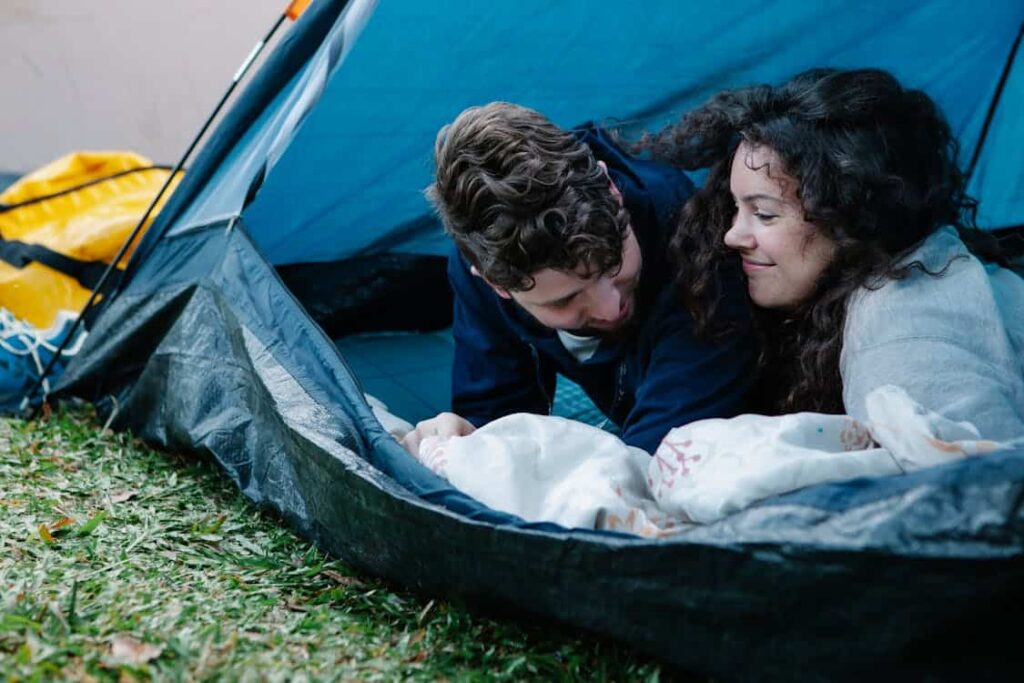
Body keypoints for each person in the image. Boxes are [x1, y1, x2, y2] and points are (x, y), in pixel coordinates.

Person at [644, 68, 1024, 439]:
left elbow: (977, 482)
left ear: (850, 213)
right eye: (735, 208)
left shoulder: (901, 335)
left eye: (764, 214)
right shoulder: (923, 265)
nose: (732, 236)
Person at [402, 102, 755, 455]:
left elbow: (654, 462)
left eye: (612, 264)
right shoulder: (482, 263)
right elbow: (497, 417)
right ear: (496, 284)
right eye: (564, 300)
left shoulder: (693, 238)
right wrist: (469, 441)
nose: (610, 307)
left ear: (613, 192)